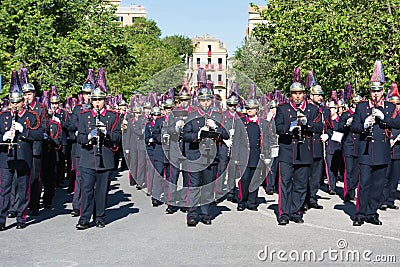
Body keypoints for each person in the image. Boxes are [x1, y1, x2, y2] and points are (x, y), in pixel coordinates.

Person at [351, 60, 400, 226]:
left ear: (383, 91)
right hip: (366, 150)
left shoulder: (389, 107)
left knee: (378, 185)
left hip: (382, 151)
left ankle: (372, 212)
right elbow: (354, 127)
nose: (376, 94)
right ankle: (360, 213)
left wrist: (384, 118)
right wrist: (365, 124)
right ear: (370, 92)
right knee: (364, 183)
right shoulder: (362, 107)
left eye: (378, 91)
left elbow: (398, 123)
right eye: (373, 91)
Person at [75, 69, 121, 230]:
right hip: (88, 157)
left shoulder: (112, 116)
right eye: (94, 99)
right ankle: (84, 218)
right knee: (87, 190)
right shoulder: (84, 115)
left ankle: (100, 216)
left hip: (105, 159)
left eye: (100, 100)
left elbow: (117, 137)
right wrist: (89, 136)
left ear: (104, 100)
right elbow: (79, 138)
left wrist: (106, 133)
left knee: (101, 191)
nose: (97, 102)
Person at [275, 79, 323, 225]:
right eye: (295, 93)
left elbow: (319, 127)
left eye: (300, 93)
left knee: (301, 184)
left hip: (304, 151)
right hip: (287, 150)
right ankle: (284, 213)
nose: (297, 96)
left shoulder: (312, 109)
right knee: (285, 183)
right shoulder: (283, 109)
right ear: (291, 95)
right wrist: (289, 128)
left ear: (304, 94)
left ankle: (296, 211)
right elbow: (277, 128)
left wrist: (307, 123)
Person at [0, 70, 41, 230]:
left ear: (23, 101)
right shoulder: (3, 117)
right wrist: (4, 137)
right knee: (4, 190)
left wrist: (23, 130)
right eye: (12, 102)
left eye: (17, 102)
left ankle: (21, 218)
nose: (15, 105)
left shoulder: (30, 116)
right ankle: (1, 219)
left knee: (23, 188)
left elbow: (38, 134)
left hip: (23, 156)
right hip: (6, 157)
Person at [182, 87, 229, 226]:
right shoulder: (191, 116)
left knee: (208, 187)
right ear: (198, 101)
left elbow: (226, 134)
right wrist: (197, 135)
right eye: (203, 100)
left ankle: (205, 213)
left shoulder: (218, 116)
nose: (205, 103)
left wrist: (215, 127)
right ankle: (192, 214)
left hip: (210, 156)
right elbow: (184, 136)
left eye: (208, 100)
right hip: (195, 156)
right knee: (195, 187)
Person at [67, 69, 94, 217]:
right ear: (82, 95)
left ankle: (87, 203)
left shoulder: (96, 109)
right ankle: (77, 205)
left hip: (91, 148)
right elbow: (70, 126)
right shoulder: (77, 109)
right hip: (78, 147)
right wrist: (78, 129)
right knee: (79, 177)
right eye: (86, 94)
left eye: (90, 94)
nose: (88, 97)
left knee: (89, 178)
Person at [22, 72, 45, 216]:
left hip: (35, 147)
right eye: (25, 94)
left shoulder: (40, 108)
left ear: (34, 94)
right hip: (22, 148)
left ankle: (34, 205)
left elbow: (42, 127)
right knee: (20, 178)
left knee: (35, 177)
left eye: (29, 94)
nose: (27, 96)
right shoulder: (19, 107)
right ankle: (19, 205)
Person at [337, 94, 361, 202]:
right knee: (349, 169)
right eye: (356, 104)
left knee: (357, 170)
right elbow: (340, 128)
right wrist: (347, 124)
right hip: (348, 145)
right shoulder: (346, 115)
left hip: (359, 146)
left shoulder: (361, 115)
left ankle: (354, 190)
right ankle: (347, 193)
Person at [380, 83, 400, 210]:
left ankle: (390, 200)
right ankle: (382, 200)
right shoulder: (386, 114)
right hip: (386, 148)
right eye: (394, 104)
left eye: (397, 104)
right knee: (384, 177)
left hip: (398, 150)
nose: (396, 106)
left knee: (394, 177)